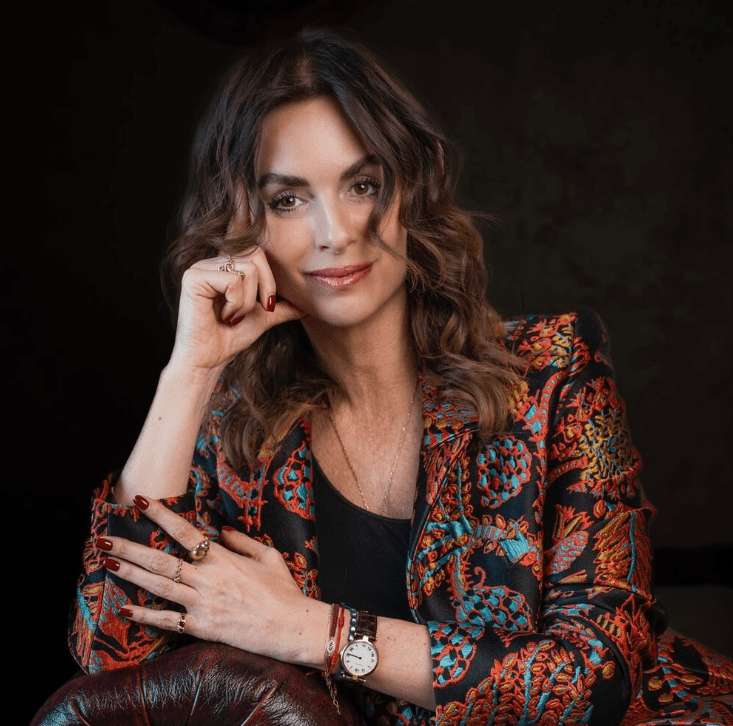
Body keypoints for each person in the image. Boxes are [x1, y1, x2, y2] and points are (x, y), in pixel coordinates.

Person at [39, 28, 732, 726]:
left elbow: (594, 679)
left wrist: (306, 629)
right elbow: (114, 654)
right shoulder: (234, 431)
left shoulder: (553, 373)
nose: (335, 232)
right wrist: (190, 371)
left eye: (362, 185)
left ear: (409, 194)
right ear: (243, 223)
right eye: (287, 200)